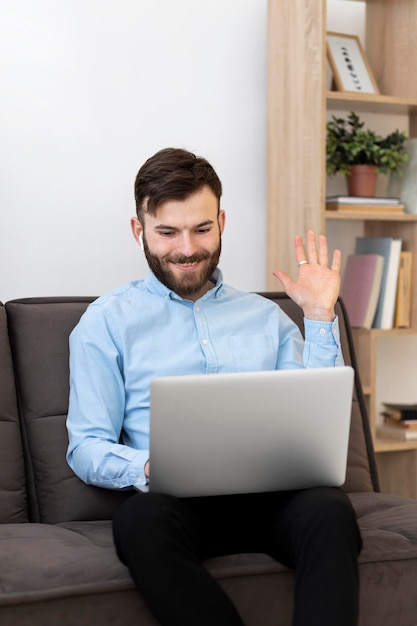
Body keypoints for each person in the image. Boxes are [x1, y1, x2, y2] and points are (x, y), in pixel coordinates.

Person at [66, 147, 362, 626]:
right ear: (138, 230)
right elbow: (85, 447)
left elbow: (315, 416)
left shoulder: (267, 317)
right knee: (138, 522)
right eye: (167, 232)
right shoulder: (106, 323)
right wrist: (149, 463)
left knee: (329, 510)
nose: (187, 249)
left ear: (222, 221)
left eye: (202, 228)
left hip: (272, 498)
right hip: (176, 507)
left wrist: (319, 316)